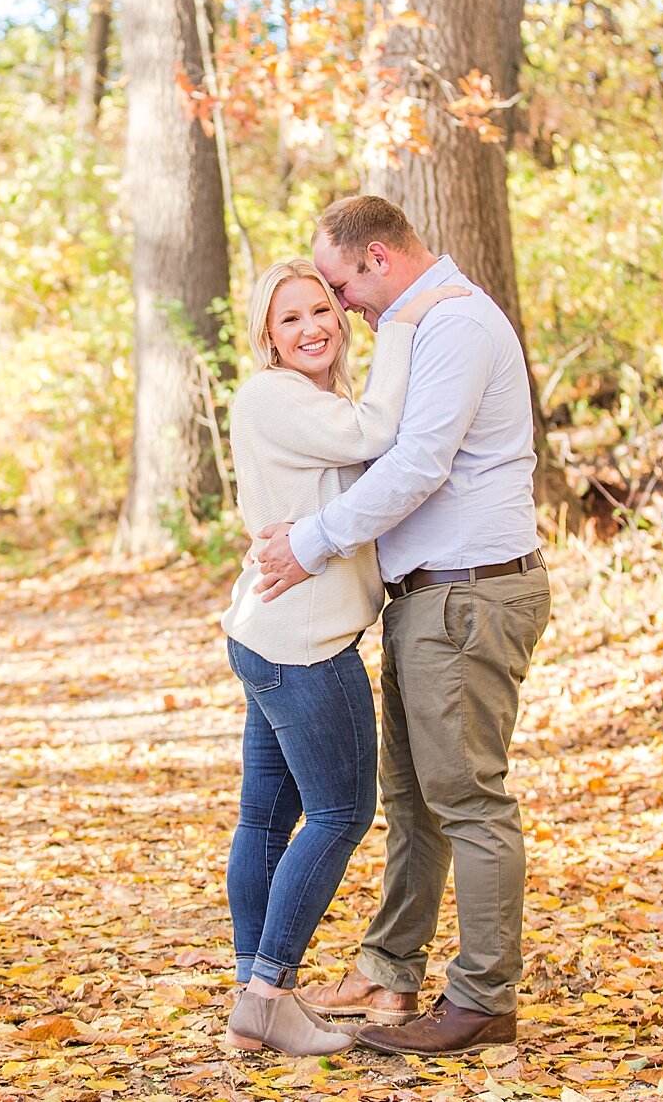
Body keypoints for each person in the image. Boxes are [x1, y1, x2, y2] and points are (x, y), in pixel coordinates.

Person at [252, 195, 551, 1057]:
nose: (344, 307)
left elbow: (418, 462)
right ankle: (391, 969)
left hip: (468, 595)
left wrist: (311, 543)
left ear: (378, 257)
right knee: (412, 799)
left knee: (468, 801)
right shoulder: (418, 325)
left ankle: (484, 999)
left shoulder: (452, 326)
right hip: (428, 596)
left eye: (343, 287)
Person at [220, 258, 468, 1057]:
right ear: (266, 335)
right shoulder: (273, 396)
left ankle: (252, 1002)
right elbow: (376, 435)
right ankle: (269, 993)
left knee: (268, 817)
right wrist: (397, 324)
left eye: (322, 309)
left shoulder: (308, 401)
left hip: (272, 632)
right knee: (340, 813)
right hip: (304, 646)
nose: (313, 327)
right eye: (290, 318)